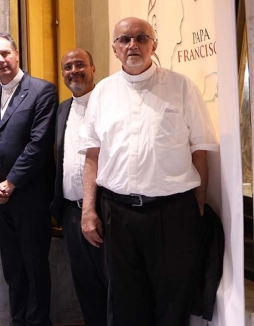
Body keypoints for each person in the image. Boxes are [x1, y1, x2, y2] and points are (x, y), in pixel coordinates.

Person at [80, 17, 218, 325]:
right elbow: (92, 154)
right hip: (117, 213)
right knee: (124, 303)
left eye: (141, 38)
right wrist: (88, 210)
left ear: (154, 45)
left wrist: (197, 204)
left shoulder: (182, 87)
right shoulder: (102, 93)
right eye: (124, 39)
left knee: (173, 303)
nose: (133, 45)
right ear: (115, 49)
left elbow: (200, 150)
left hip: (173, 213)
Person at [0, 33, 58, 326]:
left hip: (30, 197)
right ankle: (18, 320)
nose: (0, 60)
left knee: (35, 268)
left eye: (5, 53)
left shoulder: (42, 91)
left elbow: (39, 144)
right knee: (13, 268)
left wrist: (10, 183)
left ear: (17, 54)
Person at [51, 49, 108, 325]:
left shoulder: (108, 104)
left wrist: (93, 209)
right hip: (71, 214)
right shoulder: (62, 109)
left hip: (104, 212)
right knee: (86, 287)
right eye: (68, 67)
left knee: (112, 285)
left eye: (80, 65)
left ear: (93, 68)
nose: (74, 71)